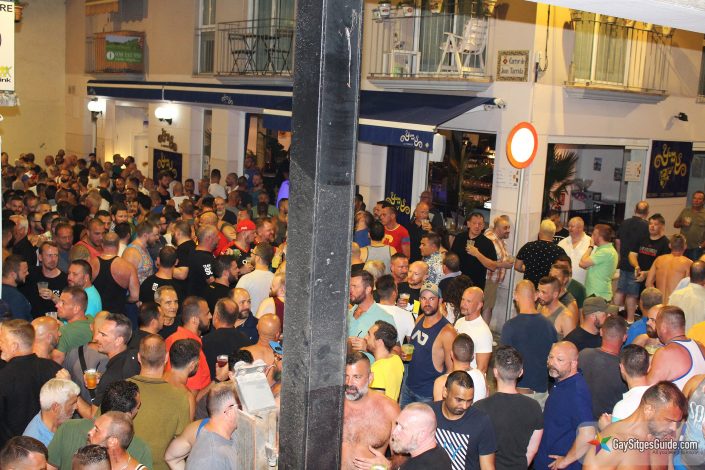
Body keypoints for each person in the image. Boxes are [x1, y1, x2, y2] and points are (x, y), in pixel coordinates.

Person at [47, 380, 153, 470]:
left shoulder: (67, 427)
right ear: (127, 416)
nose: (90, 432)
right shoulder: (141, 449)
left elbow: (48, 467)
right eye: (138, 407)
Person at [584, 381, 687, 469]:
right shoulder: (608, 444)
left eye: (676, 423)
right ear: (648, 410)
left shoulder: (661, 437)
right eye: (669, 420)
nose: (673, 428)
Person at [474, 345, 543, 469]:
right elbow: (533, 449)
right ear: (520, 372)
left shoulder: (479, 408)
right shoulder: (534, 407)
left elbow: (474, 446)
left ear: (495, 372)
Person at [129, 334, 191, 470]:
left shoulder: (120, 388)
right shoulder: (180, 397)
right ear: (166, 358)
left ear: (139, 357)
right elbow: (183, 444)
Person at [0, 320, 62, 447]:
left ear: (14, 346)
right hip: (49, 445)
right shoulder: (54, 369)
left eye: (2, 341)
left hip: (12, 450)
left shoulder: (4, 376)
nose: (0, 345)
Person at [535, 341, 595, 470]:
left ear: (573, 364)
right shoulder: (562, 382)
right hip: (545, 458)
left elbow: (588, 434)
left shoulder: (576, 392)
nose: (552, 363)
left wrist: (566, 461)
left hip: (557, 464)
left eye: (560, 359)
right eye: (551, 357)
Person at [500, 281, 558, 407]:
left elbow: (503, 364)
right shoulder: (549, 326)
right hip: (542, 395)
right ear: (536, 296)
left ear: (515, 296)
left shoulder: (510, 327)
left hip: (518, 396)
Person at [341, 352, 400, 470]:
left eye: (356, 377)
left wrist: (389, 464)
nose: (349, 383)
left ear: (370, 378)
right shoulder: (331, 404)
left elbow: (403, 456)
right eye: (346, 376)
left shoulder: (390, 410)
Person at [401, 283, 456, 406]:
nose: (427, 303)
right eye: (424, 298)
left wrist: (441, 397)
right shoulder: (419, 318)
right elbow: (416, 348)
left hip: (427, 395)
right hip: (408, 386)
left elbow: (451, 370)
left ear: (440, 301)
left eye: (432, 299)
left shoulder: (448, 332)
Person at [352, 402, 452, 470]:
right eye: (397, 424)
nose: (394, 432)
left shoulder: (425, 466)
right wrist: (387, 466)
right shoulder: (437, 454)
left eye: (402, 428)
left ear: (421, 435)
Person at [432, 371, 496, 470]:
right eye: (459, 400)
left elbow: (487, 466)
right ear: (445, 392)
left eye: (469, 400)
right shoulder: (429, 413)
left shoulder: (481, 422)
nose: (465, 406)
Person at [579, 315, 628, 420]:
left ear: (601, 332)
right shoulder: (625, 369)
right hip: (608, 423)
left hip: (580, 419)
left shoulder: (583, 355)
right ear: (624, 337)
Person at [647, 305, 705, 389]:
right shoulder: (700, 346)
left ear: (663, 327)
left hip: (680, 398)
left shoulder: (665, 353)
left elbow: (646, 389)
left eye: (657, 325)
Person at [165, 296, 213, 393]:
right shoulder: (190, 348)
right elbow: (191, 395)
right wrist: (218, 380)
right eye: (207, 313)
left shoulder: (171, 338)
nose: (210, 316)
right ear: (194, 320)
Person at [185, 384, 239, 469]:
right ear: (229, 411)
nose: (242, 412)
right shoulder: (211, 458)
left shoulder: (223, 436)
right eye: (240, 407)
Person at [93, 313, 140, 406]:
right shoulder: (136, 355)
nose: (96, 337)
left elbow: (94, 414)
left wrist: (74, 394)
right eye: (99, 332)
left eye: (103, 334)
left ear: (118, 340)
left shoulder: (110, 377)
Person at [613, 201, 650, 322]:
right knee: (632, 294)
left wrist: (620, 255)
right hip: (637, 264)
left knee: (620, 290)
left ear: (635, 210)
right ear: (647, 212)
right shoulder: (646, 226)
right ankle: (630, 320)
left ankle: (613, 317)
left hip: (624, 261)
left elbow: (617, 241)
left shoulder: (624, 222)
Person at [202, 298, 252, 379]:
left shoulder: (206, 341)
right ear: (236, 318)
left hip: (215, 385)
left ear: (216, 315)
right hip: (239, 385)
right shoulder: (245, 339)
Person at [347, 270, 396, 352]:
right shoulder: (346, 313)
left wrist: (367, 348)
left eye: (354, 286)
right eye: (350, 286)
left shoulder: (385, 318)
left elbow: (395, 352)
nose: (350, 290)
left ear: (368, 289)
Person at [92, 232, 139, 315]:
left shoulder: (91, 263)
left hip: (96, 314)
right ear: (118, 245)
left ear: (102, 244)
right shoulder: (128, 267)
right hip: (117, 316)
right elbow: (135, 297)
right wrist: (123, 299)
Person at [22, 378, 79, 447]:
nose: (76, 407)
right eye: (72, 404)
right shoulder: (35, 443)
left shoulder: (60, 421)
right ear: (55, 408)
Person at [432, 333, 488, 402]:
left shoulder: (441, 383)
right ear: (472, 356)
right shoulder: (482, 376)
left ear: (451, 354)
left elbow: (438, 408)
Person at [22, 241, 68, 319]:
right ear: (40, 257)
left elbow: (69, 309)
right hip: (32, 322)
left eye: (56, 255)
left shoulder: (65, 280)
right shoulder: (30, 274)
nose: (53, 259)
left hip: (55, 323)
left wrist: (54, 297)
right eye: (49, 255)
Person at [450, 212, 497, 290]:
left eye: (480, 224)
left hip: (476, 285)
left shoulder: (487, 243)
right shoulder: (459, 237)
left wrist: (477, 254)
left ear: (483, 226)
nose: (477, 226)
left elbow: (493, 267)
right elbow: (451, 259)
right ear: (468, 224)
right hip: (457, 282)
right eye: (474, 223)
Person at [515, 219, 566, 286]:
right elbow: (563, 272)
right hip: (548, 287)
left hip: (530, 286)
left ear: (540, 232)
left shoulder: (528, 246)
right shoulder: (559, 251)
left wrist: (528, 269)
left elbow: (517, 266)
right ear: (553, 234)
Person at [453, 287, 492, 374]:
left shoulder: (484, 332)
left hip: (469, 380)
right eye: (463, 299)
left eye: (468, 301)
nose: (463, 304)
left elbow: (482, 369)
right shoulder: (459, 322)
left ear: (479, 305)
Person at [483, 215, 513, 325]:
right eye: (505, 228)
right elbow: (486, 261)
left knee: (487, 307)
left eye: (508, 227)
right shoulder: (491, 239)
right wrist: (504, 264)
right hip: (488, 279)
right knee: (487, 308)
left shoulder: (499, 239)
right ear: (496, 228)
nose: (508, 230)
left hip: (492, 280)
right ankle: (485, 333)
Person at [608, 344, 650, 423]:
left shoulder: (621, 408)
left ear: (622, 368)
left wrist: (606, 427)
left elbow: (618, 432)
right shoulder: (661, 396)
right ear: (649, 367)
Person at [646, 234, 692, 303]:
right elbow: (690, 288)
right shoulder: (688, 263)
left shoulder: (659, 260)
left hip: (659, 305)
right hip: (675, 305)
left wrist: (656, 300)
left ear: (670, 245)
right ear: (685, 246)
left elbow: (648, 283)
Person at [53, 286, 93, 365]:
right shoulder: (92, 320)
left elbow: (55, 362)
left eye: (63, 303)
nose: (57, 305)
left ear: (76, 309)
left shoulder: (63, 332)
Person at [365, 320, 404, 401]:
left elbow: (376, 403)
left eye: (369, 335)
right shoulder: (396, 359)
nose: (365, 337)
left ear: (379, 342)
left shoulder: (377, 369)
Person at [580, 223, 618, 300]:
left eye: (594, 234)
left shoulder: (605, 252)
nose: (591, 237)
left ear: (599, 237)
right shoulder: (606, 250)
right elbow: (587, 266)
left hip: (597, 294)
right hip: (597, 293)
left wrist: (591, 246)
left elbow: (582, 263)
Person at [631, 213, 670, 287]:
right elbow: (632, 254)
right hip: (639, 277)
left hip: (654, 282)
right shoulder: (642, 238)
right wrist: (636, 266)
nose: (652, 226)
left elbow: (663, 267)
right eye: (650, 223)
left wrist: (647, 273)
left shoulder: (666, 243)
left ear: (662, 227)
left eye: (655, 224)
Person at [235, 242, 275, 314]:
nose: (250, 255)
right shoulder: (275, 278)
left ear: (258, 258)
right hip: (269, 319)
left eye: (253, 253)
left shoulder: (246, 279)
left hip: (250, 320)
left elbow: (235, 303)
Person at [375, 275, 415, 345]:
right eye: (397, 288)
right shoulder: (407, 315)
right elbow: (412, 344)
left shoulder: (369, 309)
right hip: (395, 351)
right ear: (394, 293)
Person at [668, 260, 705, 331]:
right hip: (699, 337)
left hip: (677, 337)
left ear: (689, 275)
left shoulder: (675, 295)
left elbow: (667, 320)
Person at [538, 275, 576, 339]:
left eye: (543, 292)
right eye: (539, 291)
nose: (539, 295)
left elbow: (571, 343)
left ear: (555, 294)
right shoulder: (540, 306)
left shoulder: (566, 317)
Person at [674, 190, 705, 260]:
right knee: (681, 264)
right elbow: (675, 225)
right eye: (694, 198)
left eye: (699, 199)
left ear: (703, 201)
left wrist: (701, 246)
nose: (696, 200)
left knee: (694, 266)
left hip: (696, 248)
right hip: (683, 246)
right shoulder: (686, 210)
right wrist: (682, 223)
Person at [1, 254, 32, 321]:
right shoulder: (15, 297)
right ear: (13, 274)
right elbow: (20, 325)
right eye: (24, 272)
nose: (27, 273)